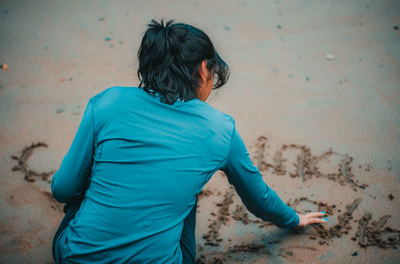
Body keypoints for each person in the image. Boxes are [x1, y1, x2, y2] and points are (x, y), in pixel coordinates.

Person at [51, 19, 327, 264]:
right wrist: (293, 219)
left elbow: (63, 189)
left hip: (75, 256)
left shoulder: (107, 103)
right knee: (186, 191)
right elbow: (258, 199)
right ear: (205, 69)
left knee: (99, 170)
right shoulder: (220, 128)